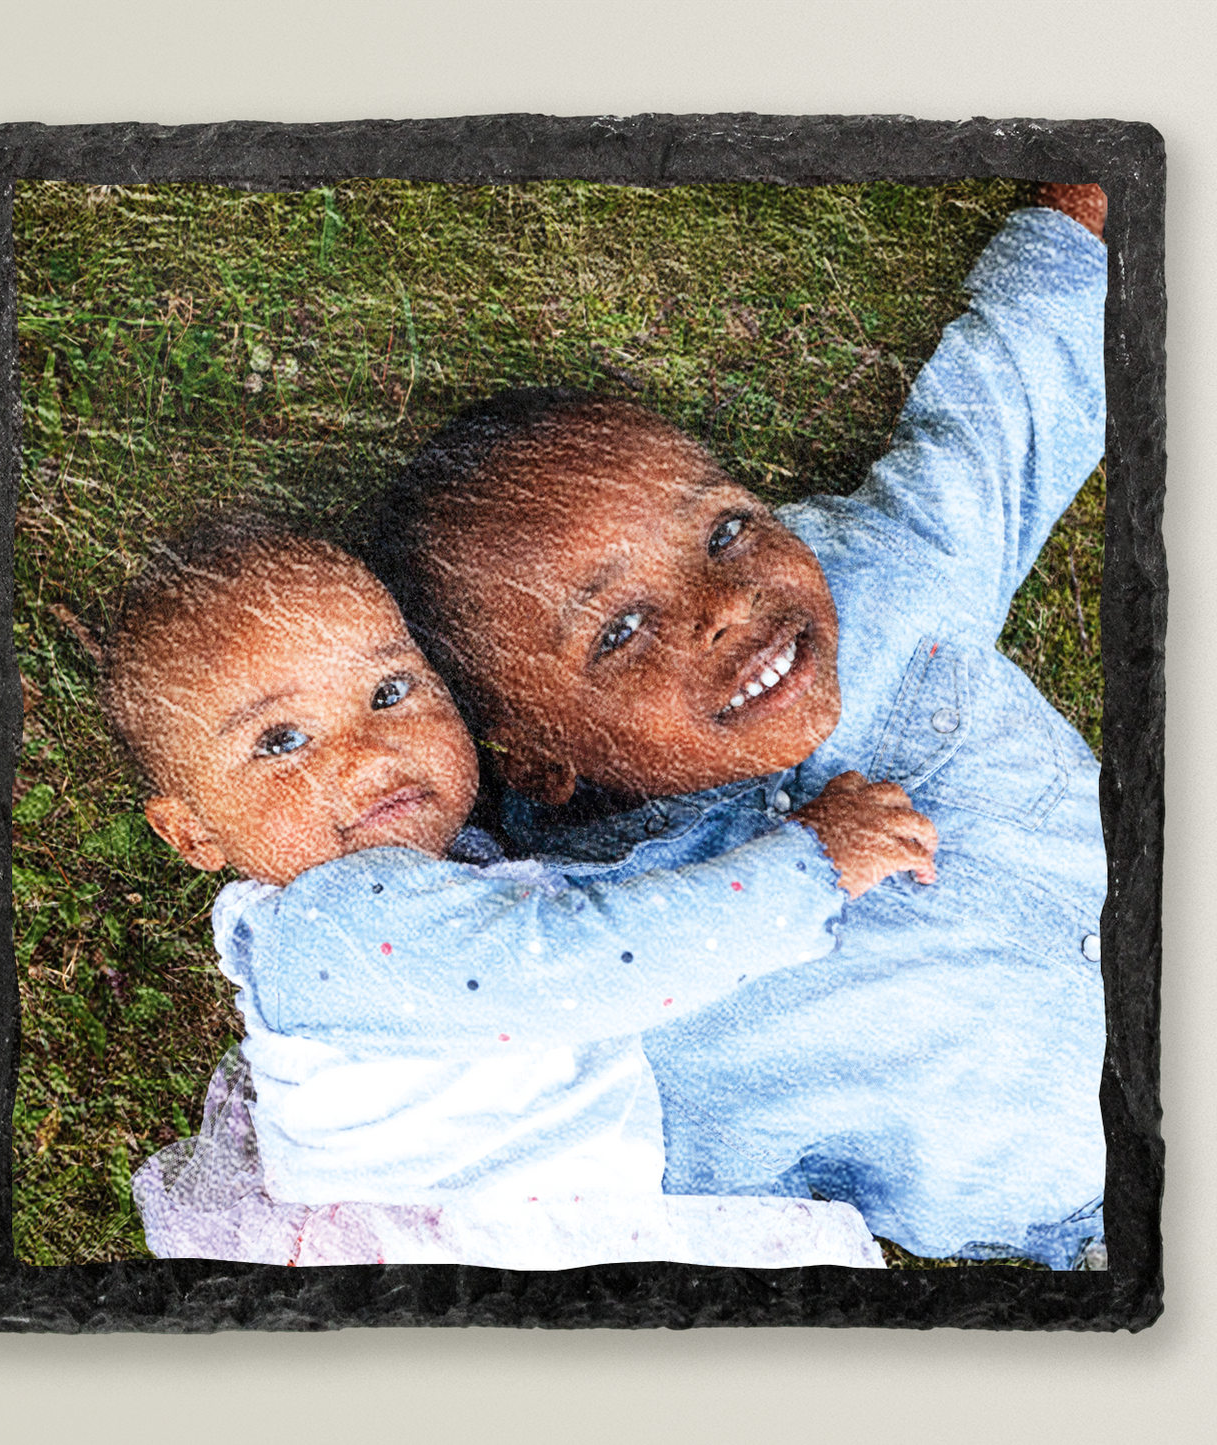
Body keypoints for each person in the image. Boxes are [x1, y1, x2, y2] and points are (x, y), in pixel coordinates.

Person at [360, 185, 1110, 1268]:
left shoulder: (877, 587)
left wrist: (1075, 231)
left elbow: (998, 429)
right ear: (541, 762)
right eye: (618, 629)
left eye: (720, 527)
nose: (724, 603)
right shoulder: (638, 1001)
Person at [106, 522, 929, 1266]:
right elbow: (591, 961)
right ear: (190, 834)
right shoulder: (335, 921)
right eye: (280, 740)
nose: (366, 752)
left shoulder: (387, 900)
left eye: (390, 692)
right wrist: (813, 864)